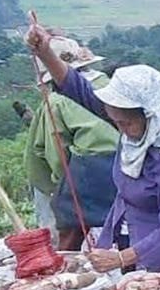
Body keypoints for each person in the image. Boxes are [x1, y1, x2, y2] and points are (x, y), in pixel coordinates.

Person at [25, 20, 160, 277]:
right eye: (115, 122)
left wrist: (120, 258)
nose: (121, 129)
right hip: (131, 238)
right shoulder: (130, 128)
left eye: (126, 122)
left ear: (148, 115)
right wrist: (45, 52)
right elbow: (78, 89)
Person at [24, 35, 119, 251]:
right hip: (126, 170)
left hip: (89, 175)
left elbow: (56, 154)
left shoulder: (56, 101)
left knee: (68, 244)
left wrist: (60, 189)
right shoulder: (108, 85)